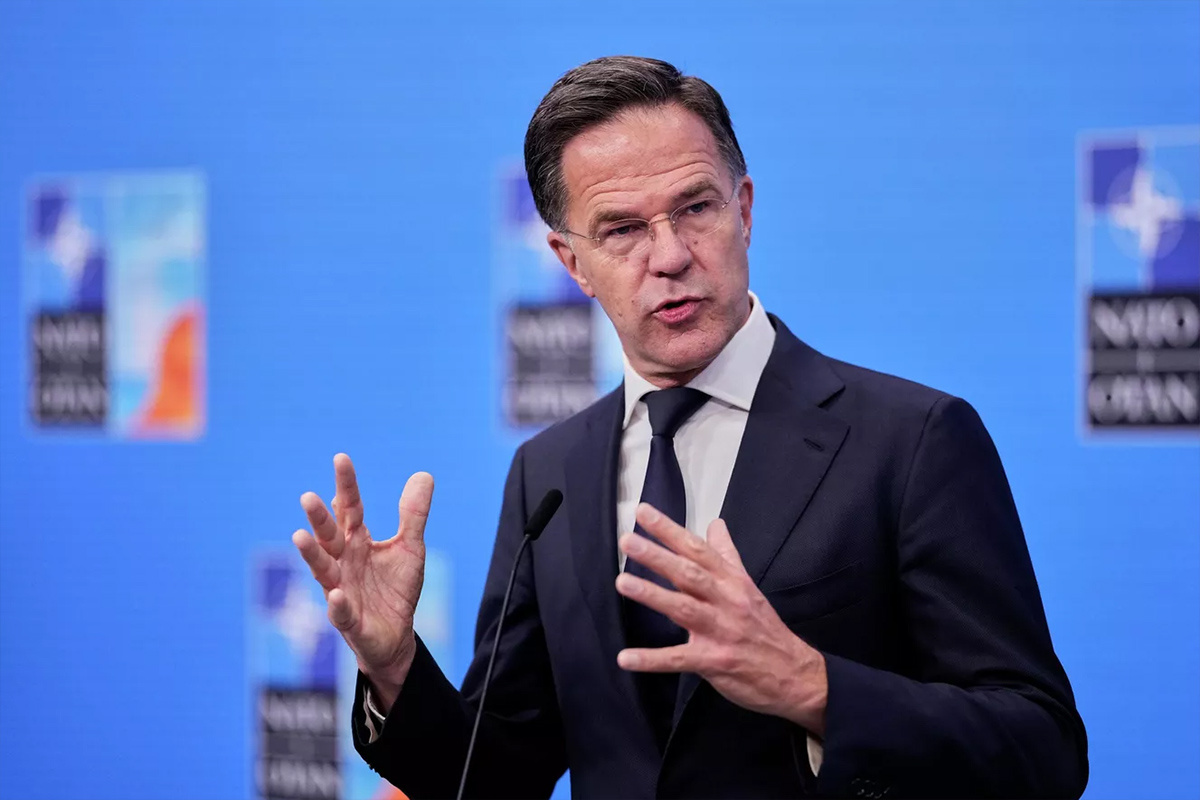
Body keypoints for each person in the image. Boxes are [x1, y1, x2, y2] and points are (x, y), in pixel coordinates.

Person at [292, 56, 1088, 799]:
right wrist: (394, 666)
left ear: (745, 210)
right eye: (622, 229)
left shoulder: (910, 441)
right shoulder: (549, 474)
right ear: (571, 263)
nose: (670, 255)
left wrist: (812, 686)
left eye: (696, 207)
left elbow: (1043, 747)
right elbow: (496, 774)